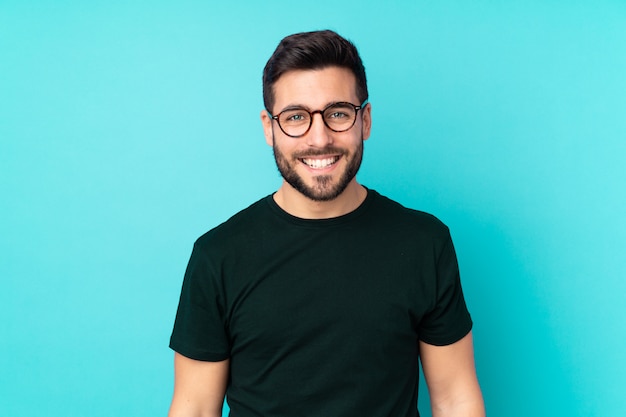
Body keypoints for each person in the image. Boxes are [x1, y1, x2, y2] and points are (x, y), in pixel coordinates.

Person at [168, 30, 485, 417]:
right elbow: (196, 408)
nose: (319, 139)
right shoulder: (218, 255)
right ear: (269, 128)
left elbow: (455, 398)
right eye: (296, 117)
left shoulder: (425, 243)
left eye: (337, 113)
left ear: (364, 120)